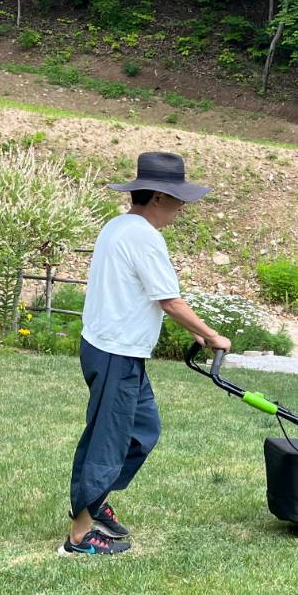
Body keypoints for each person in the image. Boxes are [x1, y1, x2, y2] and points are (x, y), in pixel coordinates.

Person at [61, 151, 231, 556]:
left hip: (114, 349)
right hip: (114, 352)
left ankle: (96, 501)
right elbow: (169, 301)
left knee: (143, 430)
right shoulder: (143, 237)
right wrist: (211, 335)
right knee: (109, 440)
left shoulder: (118, 227)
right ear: (157, 196)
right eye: (178, 199)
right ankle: (79, 537)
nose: (182, 208)